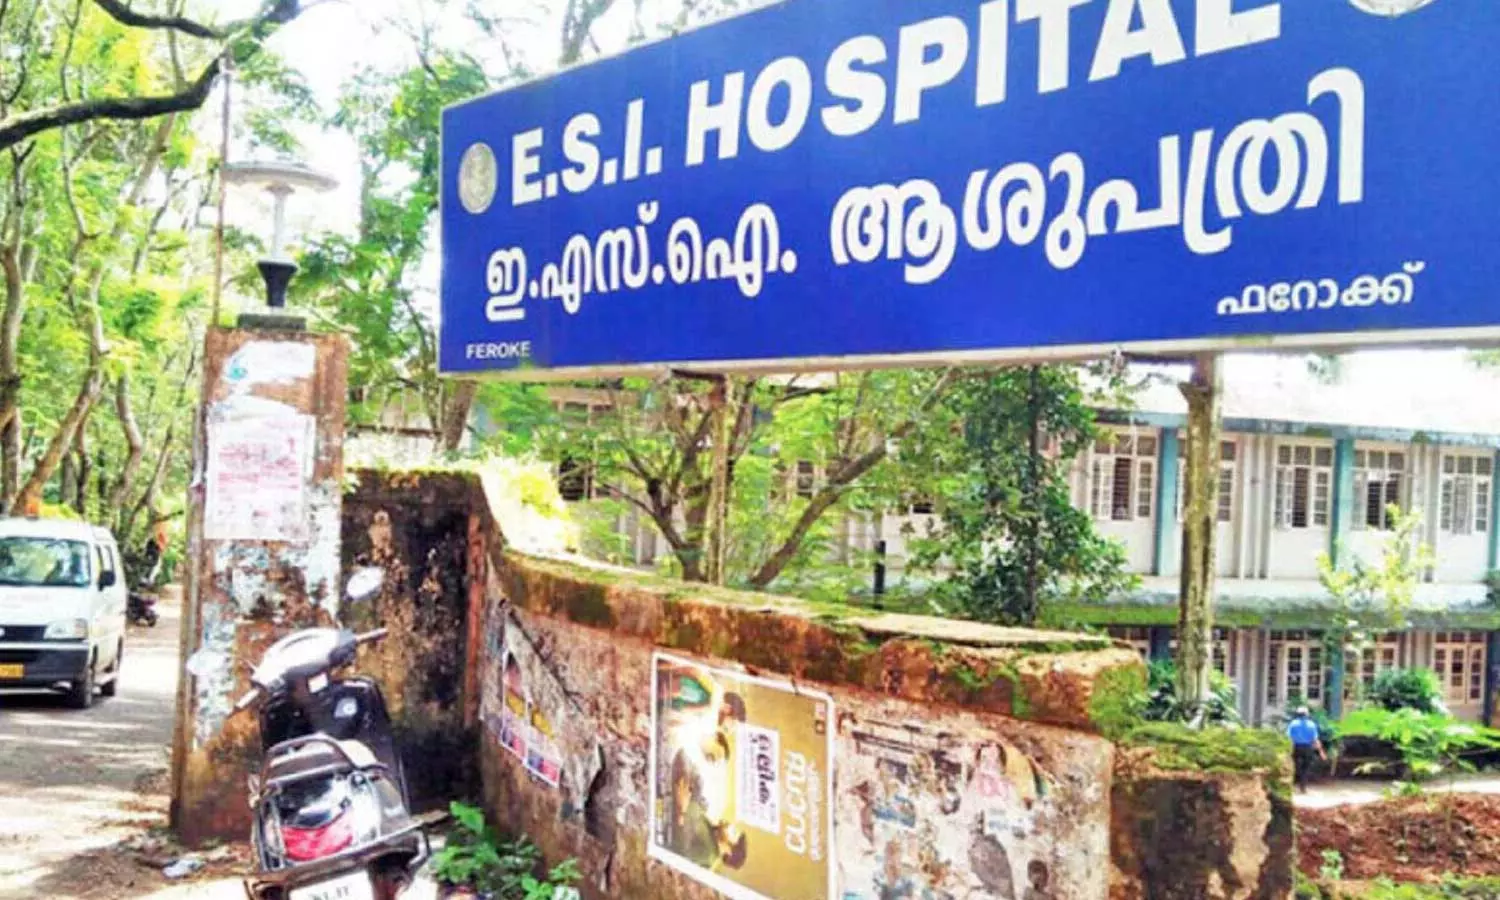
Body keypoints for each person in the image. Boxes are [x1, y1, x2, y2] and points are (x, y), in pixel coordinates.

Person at [1286, 706, 1327, 792]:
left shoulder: (1293, 723)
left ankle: (1292, 785)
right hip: (1307, 748)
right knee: (1306, 767)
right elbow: (1315, 739)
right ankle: (1303, 787)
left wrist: (1287, 749)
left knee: (1295, 766)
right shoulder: (1311, 724)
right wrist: (1321, 752)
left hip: (1296, 747)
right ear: (1307, 714)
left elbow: (1288, 737)